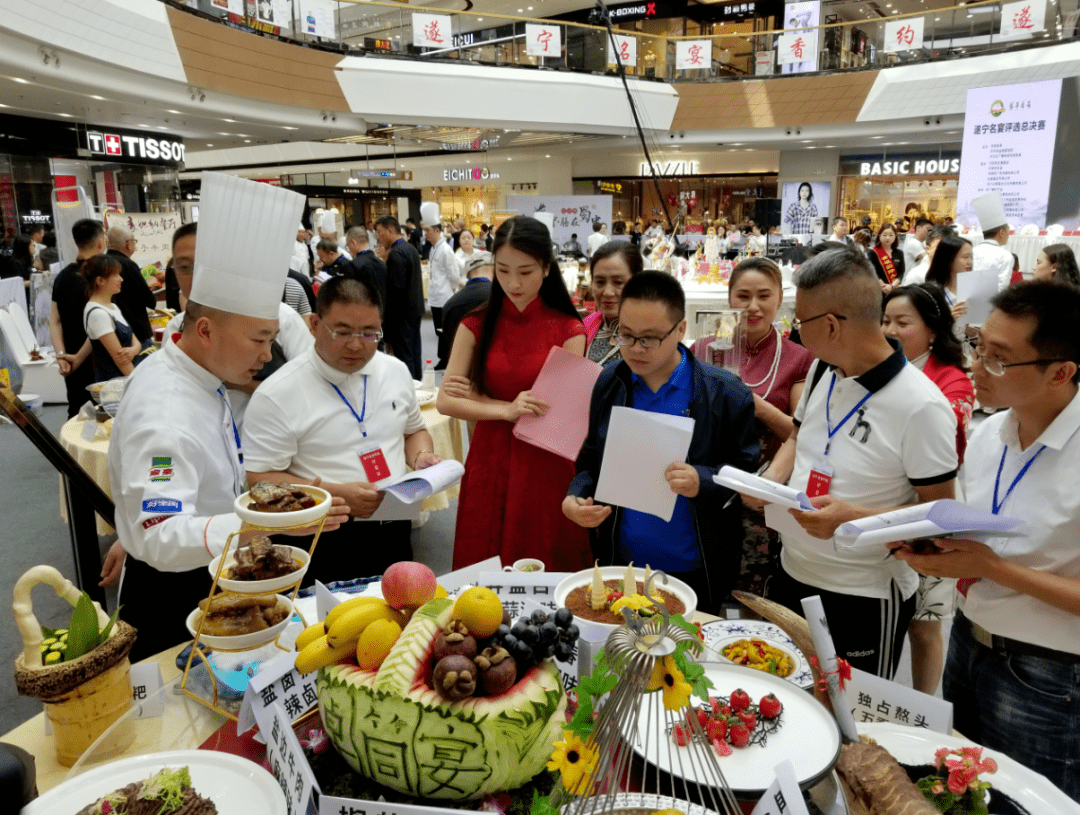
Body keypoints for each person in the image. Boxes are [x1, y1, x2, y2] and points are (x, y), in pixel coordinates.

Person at [103, 173, 347, 662]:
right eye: (258, 340)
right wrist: (257, 525)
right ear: (208, 330)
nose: (267, 354)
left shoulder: (206, 376)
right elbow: (160, 533)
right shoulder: (164, 413)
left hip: (223, 572)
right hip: (177, 593)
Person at [895, 281, 1080, 803]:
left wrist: (995, 569)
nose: (977, 365)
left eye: (999, 359)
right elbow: (975, 531)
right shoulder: (990, 434)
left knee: (1027, 803)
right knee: (965, 793)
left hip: (1047, 674)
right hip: (969, 642)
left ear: (1061, 372)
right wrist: (931, 549)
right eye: (979, 345)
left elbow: (996, 561)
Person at [747, 247, 958, 678]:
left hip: (861, 594)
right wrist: (772, 479)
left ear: (830, 325)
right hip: (793, 569)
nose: (794, 332)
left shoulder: (921, 406)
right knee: (786, 694)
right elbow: (800, 435)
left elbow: (942, 517)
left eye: (799, 321)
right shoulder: (826, 370)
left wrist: (856, 517)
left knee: (853, 720)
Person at [564, 271, 759, 612]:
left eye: (650, 339)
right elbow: (592, 457)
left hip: (694, 568)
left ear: (681, 330)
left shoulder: (724, 394)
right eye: (625, 336)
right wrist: (576, 496)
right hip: (621, 562)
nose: (636, 350)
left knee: (685, 658)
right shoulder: (612, 382)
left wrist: (704, 480)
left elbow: (746, 477)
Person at [243, 276, 439, 586]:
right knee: (331, 627)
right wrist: (335, 493)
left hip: (395, 523)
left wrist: (423, 457)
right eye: (342, 331)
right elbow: (259, 479)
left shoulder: (395, 371)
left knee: (402, 614)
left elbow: (414, 431)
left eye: (370, 333)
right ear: (313, 324)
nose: (356, 344)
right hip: (325, 532)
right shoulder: (278, 394)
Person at [437, 215, 592, 572]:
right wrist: (506, 410)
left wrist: (478, 399)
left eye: (526, 271)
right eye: (503, 271)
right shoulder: (475, 322)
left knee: (543, 553)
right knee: (484, 564)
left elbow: (560, 413)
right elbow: (447, 401)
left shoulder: (570, 328)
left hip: (545, 457)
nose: (513, 282)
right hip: (490, 454)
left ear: (547, 268)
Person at [883, 283, 973, 695]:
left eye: (903, 322)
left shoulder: (951, 380)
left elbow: (948, 440)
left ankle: (921, 708)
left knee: (925, 623)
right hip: (883, 512)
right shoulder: (876, 366)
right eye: (885, 321)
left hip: (930, 512)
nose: (891, 330)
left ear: (933, 329)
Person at [163, 222, 314, 431]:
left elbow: (310, 387)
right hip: (203, 439)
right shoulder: (175, 331)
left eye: (204, 263)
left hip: (272, 442)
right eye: (184, 266)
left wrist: (244, 384)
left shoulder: (280, 318)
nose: (195, 275)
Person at [50, 219, 105, 418]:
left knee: (76, 412)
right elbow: (100, 326)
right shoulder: (101, 276)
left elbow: (54, 321)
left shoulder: (62, 276)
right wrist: (79, 358)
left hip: (71, 356)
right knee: (101, 413)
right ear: (100, 241)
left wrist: (62, 355)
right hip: (97, 356)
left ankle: (69, 450)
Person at [375, 214, 424, 380]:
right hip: (415, 308)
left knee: (404, 355)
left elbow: (395, 291)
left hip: (402, 313)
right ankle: (417, 384)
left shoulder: (396, 254)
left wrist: (388, 322)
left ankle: (409, 388)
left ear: (390, 230)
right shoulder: (410, 248)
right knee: (414, 351)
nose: (378, 237)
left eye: (380, 232)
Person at [81, 254, 140, 383]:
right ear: (100, 281)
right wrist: (138, 383)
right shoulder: (98, 314)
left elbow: (136, 342)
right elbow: (120, 360)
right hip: (115, 384)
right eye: (116, 275)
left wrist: (133, 350)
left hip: (126, 378)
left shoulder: (112, 306)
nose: (121, 279)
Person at [582, 242, 643, 365]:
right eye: (600, 282)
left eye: (618, 282)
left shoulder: (653, 335)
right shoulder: (584, 328)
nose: (608, 293)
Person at [437, 253, 492, 371]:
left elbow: (448, 344)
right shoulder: (501, 298)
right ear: (494, 268)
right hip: (493, 373)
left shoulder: (450, 304)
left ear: (468, 273)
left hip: (460, 373)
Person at [105, 224, 156, 346]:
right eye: (134, 241)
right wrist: (150, 286)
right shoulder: (128, 265)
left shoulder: (101, 263)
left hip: (112, 331)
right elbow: (148, 299)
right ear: (128, 244)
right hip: (136, 330)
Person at [424, 204, 462, 341]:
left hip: (444, 297)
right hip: (435, 297)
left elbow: (454, 275)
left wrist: (451, 291)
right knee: (438, 332)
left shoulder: (446, 250)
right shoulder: (434, 248)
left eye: (428, 230)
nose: (425, 234)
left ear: (436, 231)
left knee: (445, 334)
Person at [925, 234, 974, 327]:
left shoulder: (968, 285)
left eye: (971, 257)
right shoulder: (931, 292)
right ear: (949, 258)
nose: (970, 262)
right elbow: (925, 327)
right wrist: (948, 319)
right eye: (965, 257)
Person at [970, 193, 1014, 291]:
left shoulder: (971, 251)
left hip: (966, 302)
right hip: (991, 304)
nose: (1009, 234)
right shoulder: (1005, 256)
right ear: (1002, 232)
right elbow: (1002, 288)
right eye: (1008, 231)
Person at [344, 225, 388, 303]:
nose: (348, 249)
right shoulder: (381, 263)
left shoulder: (353, 265)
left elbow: (351, 297)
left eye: (348, 245)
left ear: (354, 242)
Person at [867, 222, 905, 294]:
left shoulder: (899, 253)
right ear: (879, 235)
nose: (888, 238)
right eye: (884, 235)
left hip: (894, 290)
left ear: (895, 236)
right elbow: (872, 271)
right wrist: (883, 286)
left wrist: (892, 286)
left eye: (891, 235)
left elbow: (901, 273)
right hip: (877, 290)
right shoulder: (872, 252)